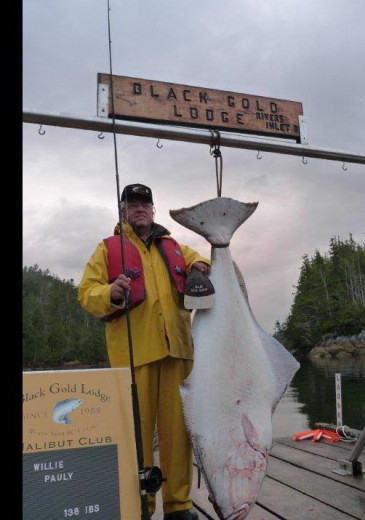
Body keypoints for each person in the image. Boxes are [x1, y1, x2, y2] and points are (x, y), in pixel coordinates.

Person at [78, 183, 210, 520]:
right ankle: (140, 505)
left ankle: (179, 505)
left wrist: (202, 266)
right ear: (123, 211)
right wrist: (111, 291)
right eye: (132, 204)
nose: (140, 209)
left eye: (145, 204)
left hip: (178, 352)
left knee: (178, 434)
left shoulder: (175, 246)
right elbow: (87, 294)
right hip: (134, 357)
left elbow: (203, 261)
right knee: (135, 435)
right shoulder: (107, 249)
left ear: (153, 210)